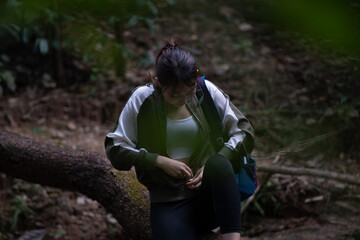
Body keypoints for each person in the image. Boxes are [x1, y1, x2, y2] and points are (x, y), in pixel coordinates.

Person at [105, 39, 254, 240]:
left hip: (208, 198)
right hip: (168, 201)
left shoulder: (205, 89)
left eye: (189, 91)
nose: (183, 99)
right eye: (175, 94)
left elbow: (244, 132)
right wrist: (158, 160)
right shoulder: (143, 98)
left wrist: (213, 161)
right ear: (158, 83)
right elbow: (115, 147)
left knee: (219, 164)